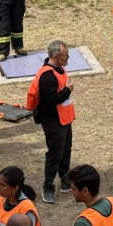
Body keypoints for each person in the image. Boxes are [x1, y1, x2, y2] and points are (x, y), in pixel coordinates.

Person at [26, 40, 76, 203]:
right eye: (64, 55)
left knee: (66, 150)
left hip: (64, 118)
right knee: (55, 154)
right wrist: (68, 90)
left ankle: (65, 180)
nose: (67, 57)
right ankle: (48, 187)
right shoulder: (47, 76)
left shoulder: (59, 68)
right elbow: (51, 101)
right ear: (55, 56)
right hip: (53, 121)